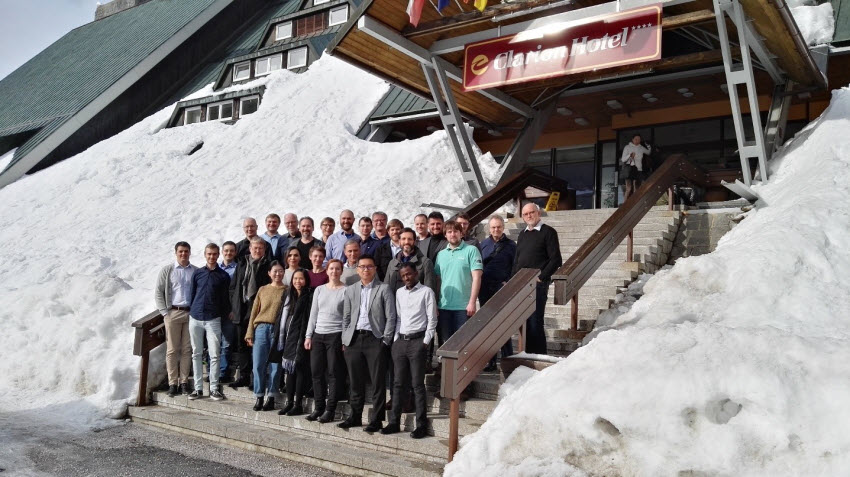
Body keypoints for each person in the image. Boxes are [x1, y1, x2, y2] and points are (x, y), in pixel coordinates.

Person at [338, 256, 397, 432]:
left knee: (377, 383)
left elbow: (391, 316)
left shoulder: (384, 289)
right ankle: (355, 417)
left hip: (375, 340)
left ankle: (376, 420)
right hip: (354, 340)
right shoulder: (350, 290)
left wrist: (385, 340)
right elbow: (346, 317)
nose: (365, 270)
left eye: (369, 267)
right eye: (362, 267)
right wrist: (345, 339)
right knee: (355, 382)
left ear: (375, 268)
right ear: (357, 270)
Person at [381, 263, 437, 439]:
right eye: (403, 275)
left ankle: (421, 425)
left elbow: (432, 319)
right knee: (397, 384)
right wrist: (396, 339)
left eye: (409, 274)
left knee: (417, 385)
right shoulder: (399, 292)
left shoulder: (427, 292)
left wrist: (426, 342)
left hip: (418, 342)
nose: (406, 278)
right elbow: (398, 318)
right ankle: (394, 422)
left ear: (416, 273)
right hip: (401, 342)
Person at [513, 203, 562, 355]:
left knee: (535, 322)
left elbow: (556, 260)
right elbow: (517, 260)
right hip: (521, 284)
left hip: (537, 285)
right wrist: (513, 281)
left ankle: (539, 357)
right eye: (525, 214)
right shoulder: (522, 234)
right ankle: (526, 356)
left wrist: (541, 277)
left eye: (531, 212)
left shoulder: (548, 232)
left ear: (538, 213)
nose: (529, 216)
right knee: (525, 323)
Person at [304, 259, 346, 423]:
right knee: (316, 372)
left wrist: (344, 339)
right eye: (331, 269)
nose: (334, 271)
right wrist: (309, 335)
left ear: (341, 271)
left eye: (337, 269)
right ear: (326, 271)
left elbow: (346, 317)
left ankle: (330, 409)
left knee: (333, 373)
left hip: (335, 335)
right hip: (318, 335)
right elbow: (313, 314)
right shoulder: (319, 290)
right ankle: (318, 407)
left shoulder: (346, 290)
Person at [188, 243, 231, 401]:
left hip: (213, 318)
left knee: (214, 355)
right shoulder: (198, 273)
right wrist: (193, 310)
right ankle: (198, 389)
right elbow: (192, 293)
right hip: (195, 317)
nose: (212, 257)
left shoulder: (223, 276)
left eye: (214, 254)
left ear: (218, 255)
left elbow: (225, 298)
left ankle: (214, 388)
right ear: (205, 255)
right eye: (209, 254)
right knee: (196, 353)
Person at [229, 237, 272, 389]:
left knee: (257, 345)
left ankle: (256, 377)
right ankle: (244, 376)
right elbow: (233, 287)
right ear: (250, 249)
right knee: (242, 345)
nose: (257, 250)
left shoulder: (269, 265)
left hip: (258, 310)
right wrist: (234, 307)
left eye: (260, 248)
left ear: (264, 250)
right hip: (241, 308)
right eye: (255, 248)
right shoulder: (242, 263)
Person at [244, 260, 287, 411]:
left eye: (281, 271)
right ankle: (259, 395)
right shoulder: (263, 289)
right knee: (258, 364)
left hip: (277, 330)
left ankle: (272, 396)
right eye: (274, 271)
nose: (278, 274)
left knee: (275, 365)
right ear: (269, 273)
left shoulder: (287, 290)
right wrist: (250, 332)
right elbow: (254, 312)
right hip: (261, 328)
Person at [156, 241, 197, 397]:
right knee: (172, 349)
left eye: (186, 251)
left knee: (187, 349)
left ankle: (184, 382)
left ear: (190, 252)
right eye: (180, 251)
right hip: (173, 312)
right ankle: (173, 383)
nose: (183, 254)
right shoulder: (168, 270)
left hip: (190, 313)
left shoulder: (195, 271)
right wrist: (165, 312)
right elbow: (159, 292)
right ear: (176, 252)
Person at [434, 220, 483, 346]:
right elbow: (438, 280)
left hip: (463, 307)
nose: (452, 234)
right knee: (445, 344)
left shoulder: (471, 250)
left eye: (455, 231)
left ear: (461, 233)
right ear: (445, 235)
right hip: (444, 306)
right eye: (449, 232)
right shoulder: (441, 255)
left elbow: (477, 277)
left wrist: (472, 302)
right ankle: (445, 367)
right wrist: (436, 303)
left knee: (463, 344)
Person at [479, 215, 517, 371]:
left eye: (499, 227)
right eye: (493, 227)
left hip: (501, 288)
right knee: (487, 325)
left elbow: (516, 266)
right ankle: (490, 360)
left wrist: (507, 281)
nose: (496, 229)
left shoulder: (511, 245)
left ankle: (507, 357)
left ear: (503, 227)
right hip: (484, 288)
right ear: (489, 228)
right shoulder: (483, 245)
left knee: (503, 323)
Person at [278, 269, 313, 416]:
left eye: (301, 279)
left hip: (302, 337)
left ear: (306, 280)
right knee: (289, 372)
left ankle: (298, 404)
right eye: (295, 279)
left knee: (299, 371)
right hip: (288, 338)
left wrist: (306, 336)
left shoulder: (309, 296)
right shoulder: (288, 295)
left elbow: (309, 318)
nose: (298, 282)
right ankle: (289, 402)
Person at [384, 228, 436, 292]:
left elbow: (430, 289)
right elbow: (386, 288)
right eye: (403, 239)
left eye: (410, 239)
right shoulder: (392, 263)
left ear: (414, 241)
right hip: (396, 301)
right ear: (399, 241)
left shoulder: (425, 262)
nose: (406, 242)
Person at [218, 241, 238, 383]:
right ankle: (214, 370)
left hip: (230, 311)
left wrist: (234, 309)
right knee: (213, 342)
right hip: (215, 312)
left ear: (235, 252)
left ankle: (223, 372)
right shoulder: (215, 267)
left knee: (226, 343)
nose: (228, 253)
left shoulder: (238, 269)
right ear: (222, 252)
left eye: (231, 251)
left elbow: (238, 292)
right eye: (226, 251)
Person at [621, 134, 652, 200]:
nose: (638, 141)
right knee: (629, 188)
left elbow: (648, 152)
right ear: (632, 140)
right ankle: (625, 205)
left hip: (638, 170)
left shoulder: (641, 147)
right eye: (636, 139)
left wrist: (648, 145)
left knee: (637, 188)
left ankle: (635, 203)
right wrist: (630, 155)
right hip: (630, 169)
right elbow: (623, 159)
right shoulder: (627, 147)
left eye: (639, 139)